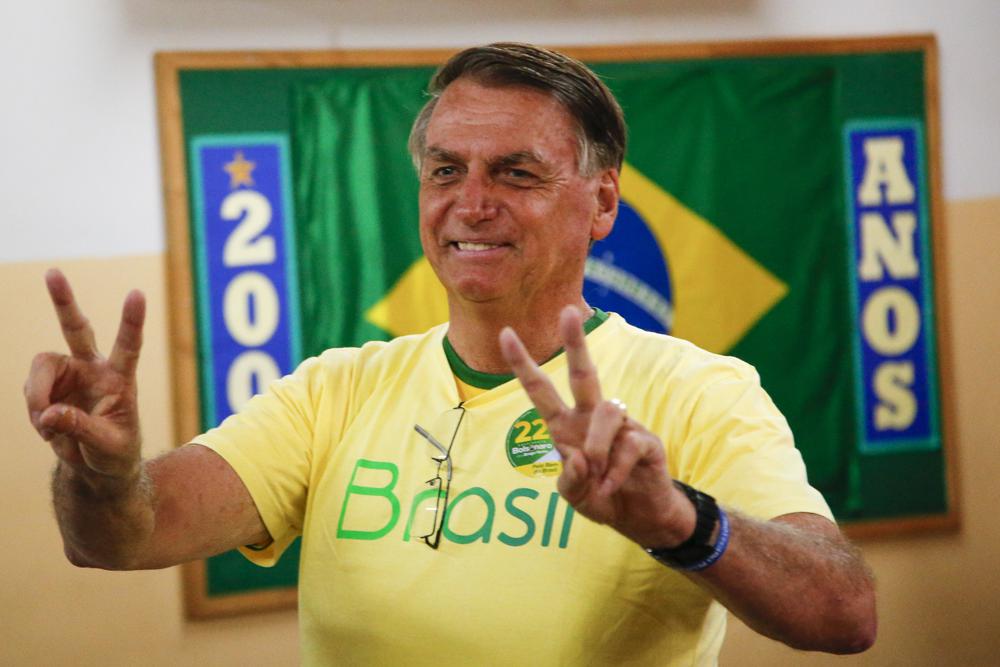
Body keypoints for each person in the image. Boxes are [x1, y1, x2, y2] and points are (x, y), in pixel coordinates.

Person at [25, 43, 875, 664]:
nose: (471, 204)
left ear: (602, 200)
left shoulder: (699, 390)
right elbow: (122, 537)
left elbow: (843, 611)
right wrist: (100, 474)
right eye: (444, 172)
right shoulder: (335, 391)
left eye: (515, 173)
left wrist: (681, 523)